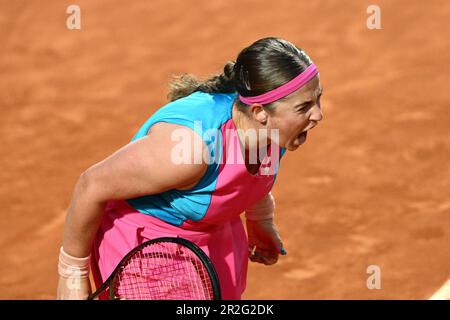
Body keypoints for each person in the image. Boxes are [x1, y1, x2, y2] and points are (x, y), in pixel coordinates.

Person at [56, 37, 324, 300]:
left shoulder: (271, 130)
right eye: (304, 107)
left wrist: (260, 219)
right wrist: (72, 275)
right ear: (260, 113)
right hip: (150, 246)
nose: (318, 115)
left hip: (212, 237)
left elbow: (250, 171)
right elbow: (91, 185)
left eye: (317, 100)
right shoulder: (189, 152)